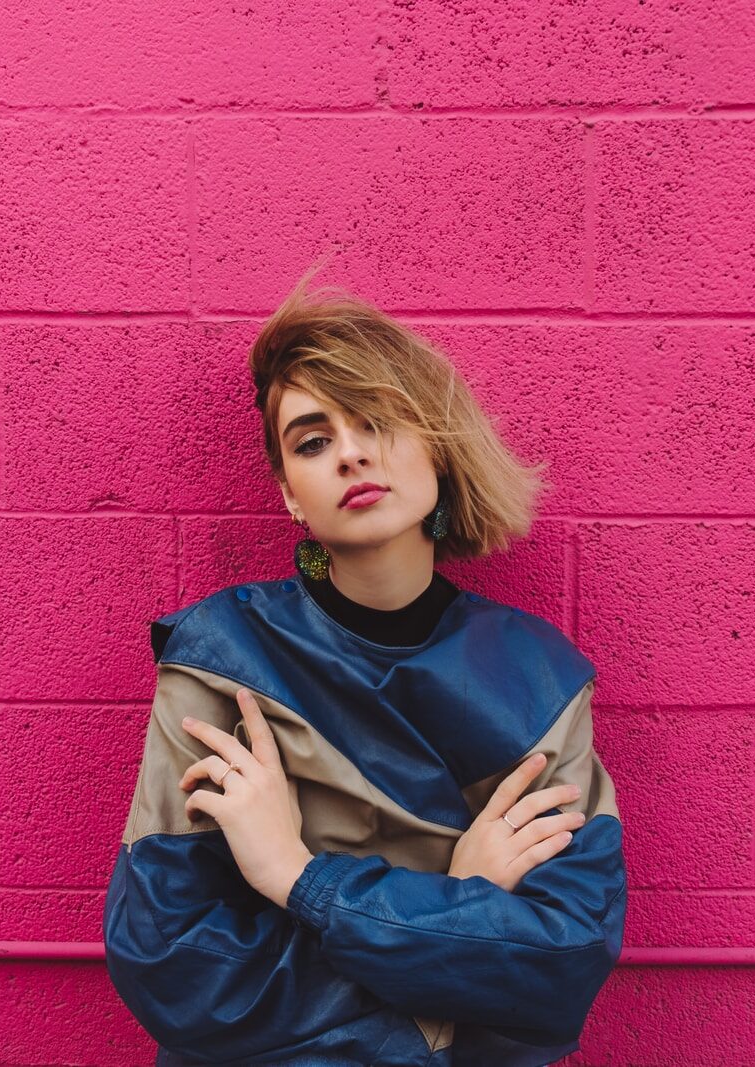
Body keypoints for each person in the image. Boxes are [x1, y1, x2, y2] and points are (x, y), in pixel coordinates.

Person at [103, 266, 628, 1066]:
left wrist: (297, 876)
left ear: (437, 448)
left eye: (376, 420)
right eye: (313, 440)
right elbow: (172, 966)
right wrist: (457, 909)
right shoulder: (219, 664)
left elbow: (560, 964)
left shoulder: (539, 682)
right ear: (288, 493)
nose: (349, 454)